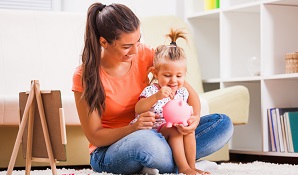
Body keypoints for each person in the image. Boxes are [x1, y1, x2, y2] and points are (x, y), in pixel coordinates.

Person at [72, 2, 233, 175]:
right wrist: (133, 128)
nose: (135, 50)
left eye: (138, 41)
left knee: (222, 124)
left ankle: (167, 163)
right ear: (104, 42)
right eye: (126, 47)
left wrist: (193, 119)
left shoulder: (145, 54)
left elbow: (182, 87)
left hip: (162, 134)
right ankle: (186, 164)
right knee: (145, 142)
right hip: (111, 151)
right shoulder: (85, 75)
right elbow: (95, 136)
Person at [131, 28, 211, 175]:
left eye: (179, 76)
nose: (173, 80)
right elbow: (138, 108)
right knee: (175, 131)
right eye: (167, 75)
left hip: (175, 127)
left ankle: (191, 166)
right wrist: (156, 97)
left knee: (188, 132)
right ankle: (183, 168)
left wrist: (192, 118)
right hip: (154, 131)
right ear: (155, 73)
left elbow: (188, 110)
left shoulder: (182, 92)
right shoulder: (152, 90)